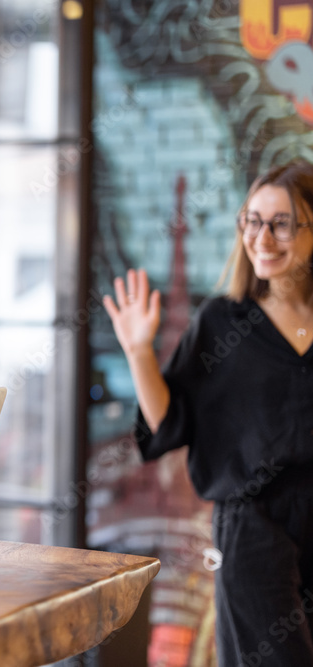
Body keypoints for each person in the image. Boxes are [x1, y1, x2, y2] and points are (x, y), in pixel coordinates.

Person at [103, 160, 313, 665]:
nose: (262, 237)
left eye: (281, 223)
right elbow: (168, 424)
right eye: (252, 220)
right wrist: (138, 353)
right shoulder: (222, 322)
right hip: (254, 531)